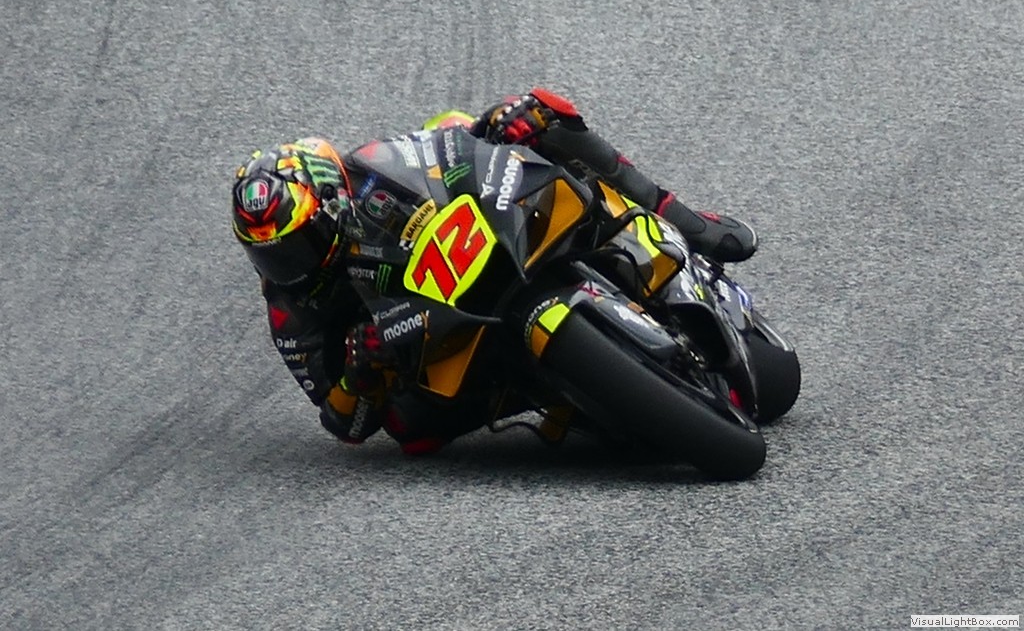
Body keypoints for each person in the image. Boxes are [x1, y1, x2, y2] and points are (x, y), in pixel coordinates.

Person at [231, 88, 759, 453]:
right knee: (411, 430)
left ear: (332, 203)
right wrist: (358, 372)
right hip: (429, 350)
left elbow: (448, 136)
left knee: (541, 122)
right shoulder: (289, 308)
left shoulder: (371, 168)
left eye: (299, 243)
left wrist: (500, 123)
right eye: (271, 254)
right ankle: (554, 391)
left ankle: (685, 223)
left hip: (482, 250)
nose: (289, 264)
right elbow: (343, 421)